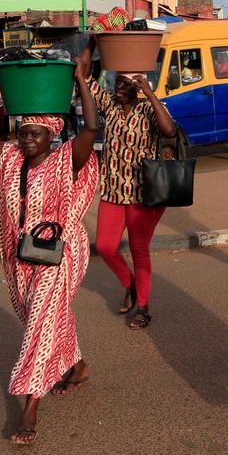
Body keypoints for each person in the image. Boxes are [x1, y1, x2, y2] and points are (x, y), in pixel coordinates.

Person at [0, 62, 99, 445]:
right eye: (22, 134)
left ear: (51, 136)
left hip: (63, 254)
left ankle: (28, 411)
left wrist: (81, 81)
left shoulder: (66, 161)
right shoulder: (9, 161)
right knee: (44, 317)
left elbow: (90, 129)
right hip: (23, 256)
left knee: (39, 325)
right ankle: (79, 367)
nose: (26, 140)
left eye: (34, 134)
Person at [79, 36, 178, 330]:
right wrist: (93, 42)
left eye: (123, 85)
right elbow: (83, 74)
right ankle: (130, 285)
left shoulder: (147, 110)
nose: (116, 89)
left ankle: (143, 307)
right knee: (107, 247)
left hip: (143, 194)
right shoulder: (110, 106)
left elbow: (169, 130)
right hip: (112, 191)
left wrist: (149, 92)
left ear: (136, 88)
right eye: (115, 84)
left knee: (139, 250)